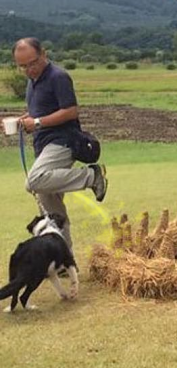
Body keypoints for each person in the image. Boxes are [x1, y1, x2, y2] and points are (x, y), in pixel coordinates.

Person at [13, 37, 107, 250]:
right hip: (43, 144)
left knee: (34, 181)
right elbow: (41, 110)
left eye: (33, 63)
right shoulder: (32, 81)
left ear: (44, 54)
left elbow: (70, 111)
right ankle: (64, 259)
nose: (29, 69)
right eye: (23, 66)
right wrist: (24, 120)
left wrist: (36, 122)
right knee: (52, 211)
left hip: (62, 141)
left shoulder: (58, 77)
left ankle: (92, 175)